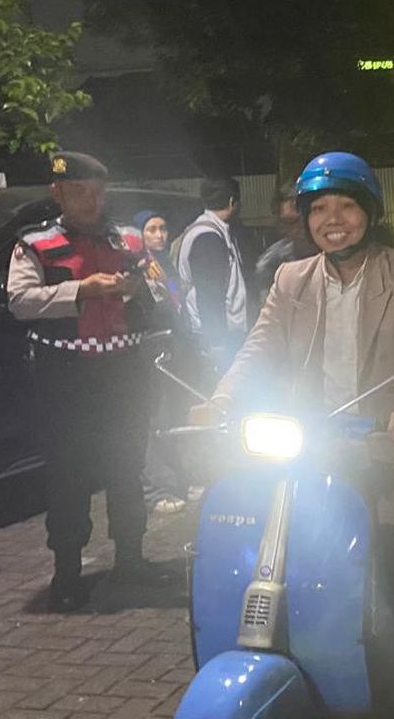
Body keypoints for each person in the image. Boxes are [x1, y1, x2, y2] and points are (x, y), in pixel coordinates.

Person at [193, 151, 394, 705]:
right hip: (313, 447)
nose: (332, 218)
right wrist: (220, 400)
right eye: (319, 208)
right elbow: (259, 346)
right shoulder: (292, 277)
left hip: (390, 439)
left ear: (369, 211)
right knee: (300, 556)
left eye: (346, 205)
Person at [7, 152, 176, 612]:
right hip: (67, 376)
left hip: (124, 371)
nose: (91, 200)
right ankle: (66, 573)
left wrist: (140, 288)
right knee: (69, 473)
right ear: (57, 193)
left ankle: (131, 558)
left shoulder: (130, 240)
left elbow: (163, 291)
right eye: (79, 191)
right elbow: (20, 301)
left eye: (98, 190)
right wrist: (83, 289)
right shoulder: (34, 244)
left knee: (127, 465)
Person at [132, 210, 189, 514]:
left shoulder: (165, 265)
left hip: (171, 345)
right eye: (151, 229)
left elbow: (174, 301)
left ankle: (178, 480)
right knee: (157, 420)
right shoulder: (138, 267)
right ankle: (157, 490)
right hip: (149, 349)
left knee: (174, 417)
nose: (159, 235)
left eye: (163, 228)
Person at [176, 177, 248, 373]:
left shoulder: (210, 231)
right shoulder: (208, 237)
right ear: (233, 202)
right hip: (219, 337)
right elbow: (209, 292)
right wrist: (217, 341)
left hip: (220, 333)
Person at [254, 189, 320, 300]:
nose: (302, 227)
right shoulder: (271, 264)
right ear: (281, 227)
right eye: (290, 222)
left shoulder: (345, 257)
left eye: (306, 219)